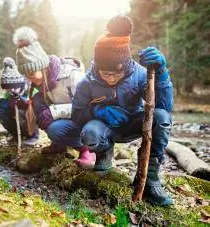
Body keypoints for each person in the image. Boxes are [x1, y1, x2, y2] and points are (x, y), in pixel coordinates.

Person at [71, 15, 174, 206]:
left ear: (125, 66)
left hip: (133, 122)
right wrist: (96, 112)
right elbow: (76, 115)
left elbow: (165, 108)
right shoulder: (87, 82)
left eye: (116, 73)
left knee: (161, 118)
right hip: (104, 128)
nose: (111, 79)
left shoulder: (140, 75)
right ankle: (104, 153)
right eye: (105, 73)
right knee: (90, 132)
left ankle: (150, 178)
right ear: (97, 67)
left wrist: (161, 74)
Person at [13, 26, 96, 168]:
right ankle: (59, 145)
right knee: (37, 101)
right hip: (68, 119)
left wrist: (53, 112)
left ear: (42, 66)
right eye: (27, 76)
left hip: (86, 122)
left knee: (54, 129)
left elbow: (88, 107)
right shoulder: (41, 82)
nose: (30, 79)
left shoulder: (72, 75)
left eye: (32, 74)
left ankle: (87, 149)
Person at [0, 57, 39, 146]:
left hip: (29, 111)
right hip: (14, 110)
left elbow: (34, 103)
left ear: (20, 85)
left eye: (14, 88)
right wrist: (2, 102)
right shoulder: (9, 92)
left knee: (24, 112)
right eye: (9, 89)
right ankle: (16, 134)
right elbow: (7, 104)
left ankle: (33, 136)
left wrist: (21, 100)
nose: (12, 90)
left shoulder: (29, 87)